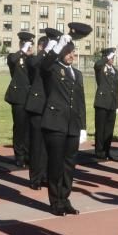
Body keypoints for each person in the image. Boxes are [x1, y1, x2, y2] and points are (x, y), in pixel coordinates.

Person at [40, 26, 89, 215]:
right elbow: (43, 64)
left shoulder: (77, 74)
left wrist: (83, 127)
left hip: (72, 126)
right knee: (56, 164)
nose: (71, 56)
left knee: (69, 164)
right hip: (55, 123)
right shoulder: (53, 69)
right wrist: (57, 46)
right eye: (68, 52)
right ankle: (55, 201)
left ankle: (65, 197)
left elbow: (81, 102)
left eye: (73, 52)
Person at [24, 32, 52, 190]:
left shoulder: (50, 59)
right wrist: (45, 51)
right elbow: (33, 64)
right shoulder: (34, 59)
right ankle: (35, 177)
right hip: (36, 106)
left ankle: (45, 175)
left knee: (47, 145)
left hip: (50, 106)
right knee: (36, 145)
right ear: (41, 46)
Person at [4, 32, 33, 167]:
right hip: (19, 98)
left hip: (31, 98)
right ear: (21, 44)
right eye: (27, 45)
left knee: (29, 128)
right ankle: (19, 156)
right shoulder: (14, 57)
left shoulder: (33, 59)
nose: (29, 47)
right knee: (20, 127)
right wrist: (22, 51)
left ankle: (28, 154)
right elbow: (12, 60)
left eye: (30, 45)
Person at [92, 47, 118, 160]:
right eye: (110, 57)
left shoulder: (115, 71)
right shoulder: (100, 67)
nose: (112, 59)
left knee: (109, 129)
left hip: (112, 103)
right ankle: (99, 151)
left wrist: (117, 105)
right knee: (100, 128)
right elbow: (97, 64)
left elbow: (117, 89)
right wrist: (105, 57)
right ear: (105, 57)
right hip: (102, 102)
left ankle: (107, 151)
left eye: (113, 57)